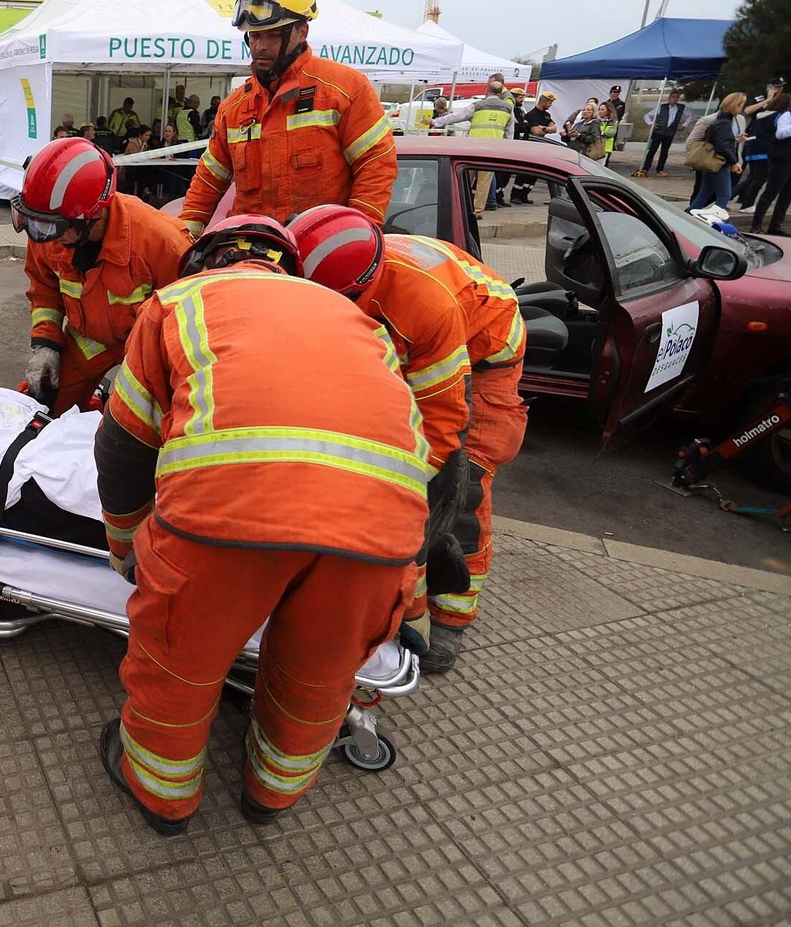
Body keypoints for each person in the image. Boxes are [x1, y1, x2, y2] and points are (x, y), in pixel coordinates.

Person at [95, 213, 428, 834]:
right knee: (318, 676)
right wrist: (413, 582)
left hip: (222, 521)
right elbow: (410, 453)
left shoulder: (178, 303)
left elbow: (123, 447)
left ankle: (161, 796)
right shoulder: (359, 322)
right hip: (376, 535)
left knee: (179, 666)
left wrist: (125, 547)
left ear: (202, 263)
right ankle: (271, 795)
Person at [289, 207, 527, 672]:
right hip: (419, 338)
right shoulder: (323, 274)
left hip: (484, 352)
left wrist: (400, 487)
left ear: (360, 288)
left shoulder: (420, 306)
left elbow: (442, 420)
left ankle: (452, 614)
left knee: (460, 490)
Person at [179, 0, 397, 237]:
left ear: (301, 32)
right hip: (253, 255)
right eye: (255, 36)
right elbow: (207, 183)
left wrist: (356, 239)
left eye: (272, 35)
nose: (260, 46)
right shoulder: (233, 108)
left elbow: (376, 165)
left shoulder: (345, 90)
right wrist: (182, 241)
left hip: (321, 253)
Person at [15, 137, 193, 414]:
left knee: (136, 429)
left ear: (93, 216)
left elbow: (183, 327)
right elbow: (44, 289)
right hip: (88, 342)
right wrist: (45, 345)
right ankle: (95, 399)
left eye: (51, 226)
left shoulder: (163, 243)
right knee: (43, 406)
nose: (42, 235)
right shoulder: (50, 225)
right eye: (36, 223)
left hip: (147, 353)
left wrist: (145, 374)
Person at [431, 74, 514, 222]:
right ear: (501, 92)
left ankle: (461, 206)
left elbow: (456, 116)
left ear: (486, 90)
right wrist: (507, 149)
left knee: (465, 178)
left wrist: (436, 122)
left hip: (473, 148)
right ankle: (477, 211)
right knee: (484, 181)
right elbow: (509, 132)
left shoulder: (477, 106)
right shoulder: (508, 108)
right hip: (492, 150)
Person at [748, 96, 791, 235]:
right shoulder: (789, 114)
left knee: (788, 195)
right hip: (785, 159)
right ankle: (756, 225)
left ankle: (775, 226)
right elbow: (780, 134)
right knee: (770, 192)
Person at [690, 93, 746, 212]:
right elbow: (722, 146)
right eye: (741, 105)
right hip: (719, 162)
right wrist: (733, 162)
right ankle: (715, 216)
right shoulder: (724, 123)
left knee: (704, 193)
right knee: (724, 195)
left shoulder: (719, 120)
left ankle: (689, 214)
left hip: (711, 160)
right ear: (736, 105)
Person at [735, 82, 786, 213]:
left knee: (753, 177)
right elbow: (748, 110)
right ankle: (745, 203)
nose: (779, 89)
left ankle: (730, 197)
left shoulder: (775, 108)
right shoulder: (765, 103)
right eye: (776, 86)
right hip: (756, 141)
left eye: (781, 87)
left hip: (757, 143)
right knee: (757, 177)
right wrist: (769, 98)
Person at [510, 91, 558, 204]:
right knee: (524, 172)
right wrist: (545, 129)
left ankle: (524, 194)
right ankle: (515, 195)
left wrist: (544, 129)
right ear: (544, 102)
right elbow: (535, 131)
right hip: (530, 148)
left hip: (540, 148)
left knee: (534, 174)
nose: (551, 105)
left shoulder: (546, 115)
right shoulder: (532, 115)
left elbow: (555, 128)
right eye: (550, 103)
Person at [636, 89, 688, 177]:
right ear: (669, 98)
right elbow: (647, 115)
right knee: (652, 150)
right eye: (673, 97)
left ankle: (660, 169)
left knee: (664, 151)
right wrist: (651, 123)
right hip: (659, 131)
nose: (674, 99)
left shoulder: (681, 108)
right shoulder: (662, 107)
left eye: (676, 97)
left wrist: (684, 125)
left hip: (670, 132)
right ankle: (646, 168)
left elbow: (691, 115)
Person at [598, 102, 620, 167]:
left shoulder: (613, 122)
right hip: (596, 147)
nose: (600, 111)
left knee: (600, 166)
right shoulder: (596, 120)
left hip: (605, 148)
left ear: (608, 111)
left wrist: (601, 133)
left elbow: (612, 133)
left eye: (602, 110)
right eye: (599, 109)